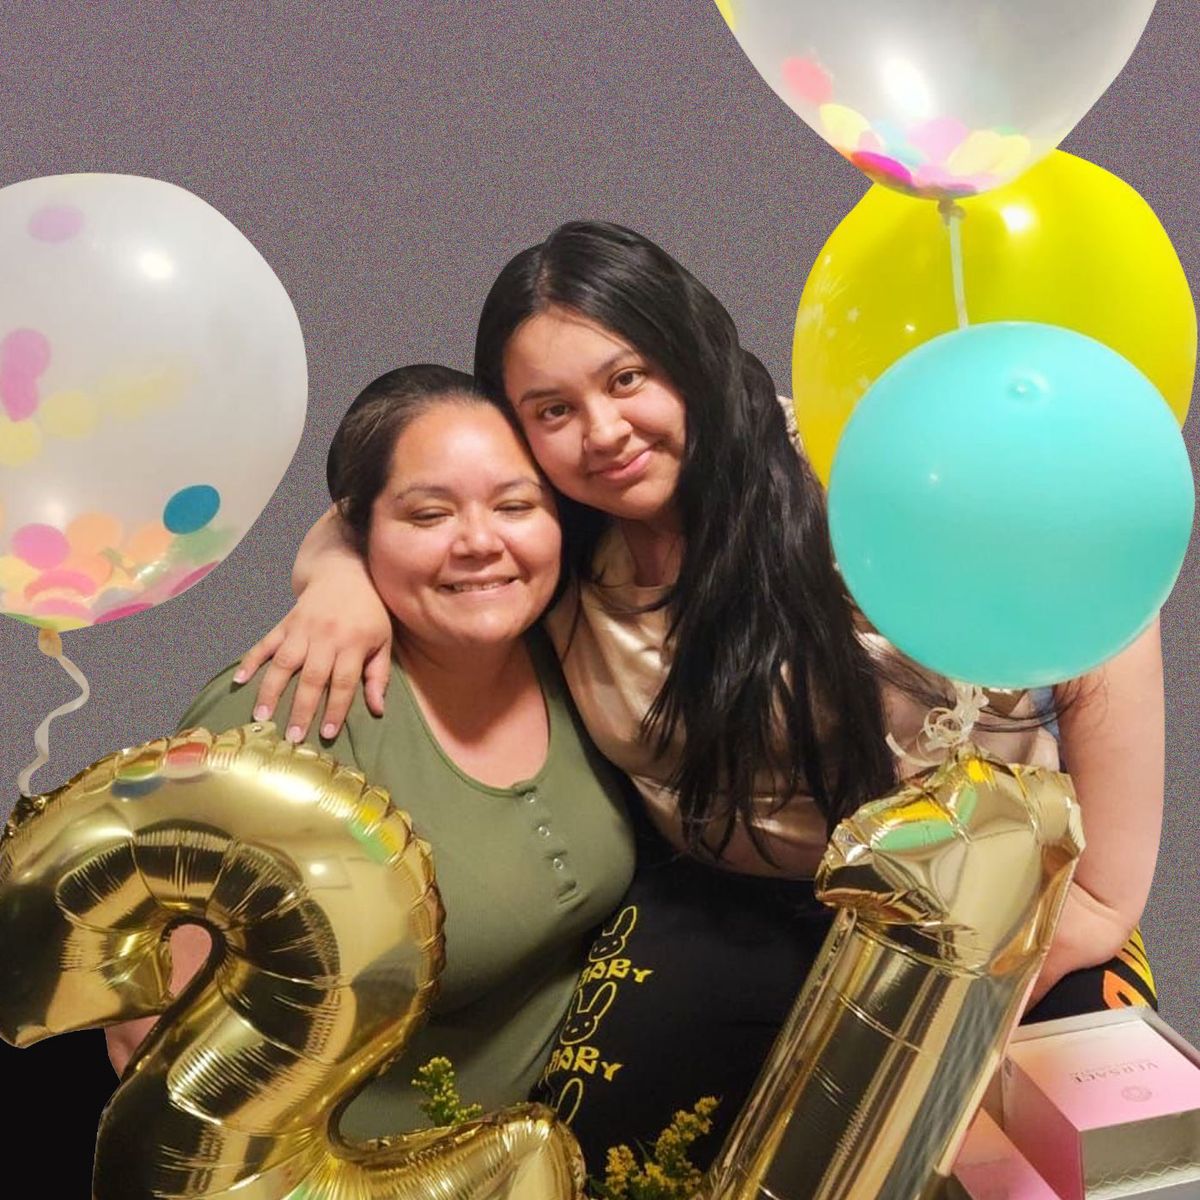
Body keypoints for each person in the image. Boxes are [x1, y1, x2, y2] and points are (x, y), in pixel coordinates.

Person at [236, 223, 1164, 1166]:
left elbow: (1096, 566)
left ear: (691, 353)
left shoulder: (848, 466)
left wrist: (1102, 898)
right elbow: (396, 497)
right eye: (552, 411)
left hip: (986, 900)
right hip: (736, 903)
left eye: (627, 378)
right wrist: (340, 575)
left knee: (1030, 1160)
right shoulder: (556, 542)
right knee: (595, 1151)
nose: (603, 432)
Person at [104, 364, 636, 1142]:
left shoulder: (580, 649)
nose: (480, 542)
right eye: (428, 515)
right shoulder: (281, 720)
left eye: (516, 506)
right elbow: (147, 1038)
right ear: (361, 532)